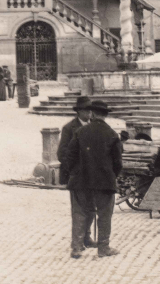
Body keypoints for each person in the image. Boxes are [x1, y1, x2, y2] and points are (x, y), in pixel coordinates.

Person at [65, 100, 122, 259]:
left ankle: (76, 248)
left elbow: (70, 156)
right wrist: (111, 175)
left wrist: (76, 173)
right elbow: (118, 162)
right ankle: (103, 248)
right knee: (104, 215)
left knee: (79, 213)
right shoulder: (112, 134)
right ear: (105, 115)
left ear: (93, 114)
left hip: (81, 181)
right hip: (104, 182)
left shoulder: (81, 132)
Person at [57, 96, 97, 249]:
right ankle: (78, 242)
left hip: (93, 176)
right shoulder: (69, 128)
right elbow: (62, 154)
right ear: (79, 111)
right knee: (79, 209)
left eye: (91, 110)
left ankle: (86, 236)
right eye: (87, 110)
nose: (90, 113)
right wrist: (75, 169)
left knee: (92, 208)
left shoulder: (95, 125)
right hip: (78, 176)